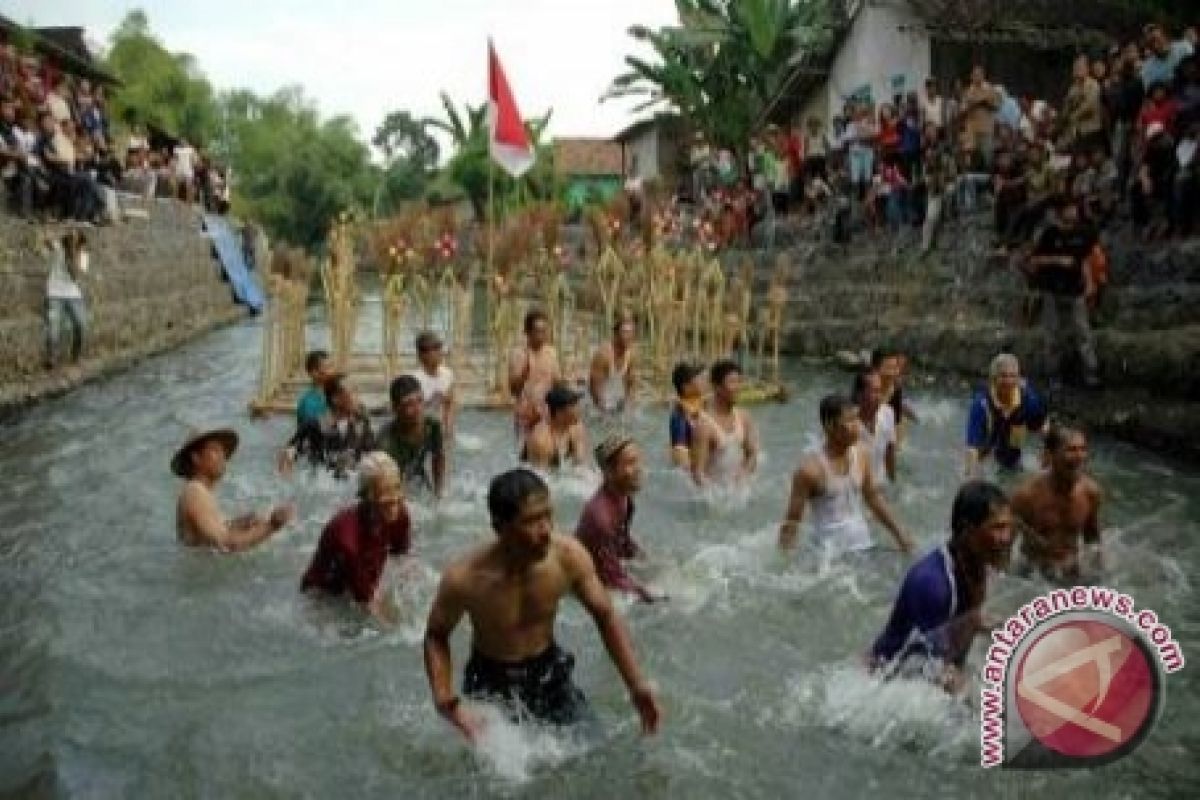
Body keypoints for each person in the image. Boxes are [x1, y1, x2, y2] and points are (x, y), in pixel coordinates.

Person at [423, 469, 662, 736]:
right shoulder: (465, 579)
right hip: (490, 682)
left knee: (593, 746)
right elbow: (436, 635)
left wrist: (636, 685)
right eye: (532, 521)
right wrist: (446, 702)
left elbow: (605, 616)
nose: (546, 530)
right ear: (500, 528)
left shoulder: (568, 557)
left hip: (549, 672)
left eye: (548, 515)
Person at [868, 481, 1013, 693]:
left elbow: (961, 621)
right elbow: (932, 666)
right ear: (967, 530)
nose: (1006, 538)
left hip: (931, 669)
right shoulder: (933, 584)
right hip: (886, 684)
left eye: (1009, 526)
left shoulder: (979, 561)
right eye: (997, 528)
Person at [778, 395, 914, 556]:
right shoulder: (809, 470)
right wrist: (784, 561)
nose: (857, 425)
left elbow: (873, 499)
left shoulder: (862, 455)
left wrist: (899, 534)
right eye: (849, 420)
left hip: (864, 544)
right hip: (829, 556)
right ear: (830, 426)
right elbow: (792, 521)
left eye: (856, 418)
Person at [301, 452, 413, 623]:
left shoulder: (400, 514)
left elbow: (401, 557)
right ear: (367, 496)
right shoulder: (347, 537)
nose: (395, 498)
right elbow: (366, 599)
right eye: (385, 492)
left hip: (360, 583)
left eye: (397, 487)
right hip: (323, 598)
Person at [174, 427, 294, 551]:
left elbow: (210, 536)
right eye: (215, 450)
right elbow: (225, 543)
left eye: (223, 451)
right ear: (196, 458)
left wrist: (237, 523)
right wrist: (272, 526)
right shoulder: (195, 492)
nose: (223, 457)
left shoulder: (199, 492)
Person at [1010, 425, 1103, 583]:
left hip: (1070, 571)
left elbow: (1092, 537)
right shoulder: (1027, 496)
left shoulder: (1090, 493)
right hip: (1031, 576)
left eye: (1083, 449)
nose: (1079, 456)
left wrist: (1097, 573)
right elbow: (1004, 540)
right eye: (1071, 450)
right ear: (1050, 455)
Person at [1025, 197, 1101, 388]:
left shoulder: (1083, 233)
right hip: (1051, 289)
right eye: (1069, 208)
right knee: (1052, 334)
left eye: (1074, 208)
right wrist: (1058, 260)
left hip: (1075, 288)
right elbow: (1034, 261)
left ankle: (1091, 373)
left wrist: (1090, 282)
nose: (1073, 212)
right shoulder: (1049, 234)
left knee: (1083, 331)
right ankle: (1053, 374)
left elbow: (1084, 259)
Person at [576, 435, 656, 603]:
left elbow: (623, 538)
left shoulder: (624, 497)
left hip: (607, 564)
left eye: (638, 461)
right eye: (630, 463)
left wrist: (644, 560)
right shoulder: (600, 518)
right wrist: (649, 595)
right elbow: (611, 578)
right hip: (585, 581)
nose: (639, 469)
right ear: (609, 471)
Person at [964, 353, 1047, 478]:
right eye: (1003, 376)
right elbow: (972, 447)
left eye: (1013, 376)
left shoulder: (1029, 398)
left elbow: (1044, 427)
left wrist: (1048, 455)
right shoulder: (981, 403)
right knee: (981, 455)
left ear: (1019, 378)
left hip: (1017, 422)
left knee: (1010, 461)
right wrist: (970, 477)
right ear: (993, 378)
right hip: (992, 421)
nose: (1009, 381)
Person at [281, 375, 375, 478]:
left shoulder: (361, 423)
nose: (358, 396)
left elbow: (372, 454)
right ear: (336, 399)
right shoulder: (314, 425)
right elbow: (290, 451)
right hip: (321, 483)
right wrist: (286, 474)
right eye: (353, 391)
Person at [691, 360, 759, 488]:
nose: (738, 387)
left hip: (734, 487)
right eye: (732, 382)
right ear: (717, 387)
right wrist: (716, 496)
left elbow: (752, 454)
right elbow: (697, 474)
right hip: (712, 491)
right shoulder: (704, 426)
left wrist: (744, 474)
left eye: (739, 382)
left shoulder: (744, 417)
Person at [377, 375, 447, 498]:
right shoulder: (385, 442)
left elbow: (438, 457)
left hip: (416, 475)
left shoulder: (432, 425)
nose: (418, 409)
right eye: (409, 404)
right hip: (388, 480)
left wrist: (438, 490)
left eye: (420, 401)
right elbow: (384, 482)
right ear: (395, 408)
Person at [509, 309, 561, 444]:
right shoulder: (518, 354)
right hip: (525, 414)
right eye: (538, 331)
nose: (542, 335)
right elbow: (514, 390)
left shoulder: (551, 353)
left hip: (547, 412)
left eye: (545, 331)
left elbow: (557, 384)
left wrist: (569, 381)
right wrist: (524, 375)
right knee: (526, 459)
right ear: (527, 332)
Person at [43, 230, 89, 370]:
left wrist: (73, 254)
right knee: (53, 326)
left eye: (76, 240)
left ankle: (76, 357)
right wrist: (56, 235)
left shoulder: (83, 256)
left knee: (81, 325)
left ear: (80, 242)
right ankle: (52, 358)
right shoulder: (58, 248)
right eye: (71, 239)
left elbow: (75, 275)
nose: (73, 242)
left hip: (73, 295)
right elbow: (46, 238)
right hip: (54, 293)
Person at [522, 384, 590, 471]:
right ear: (559, 413)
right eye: (573, 405)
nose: (578, 409)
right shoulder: (541, 440)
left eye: (576, 404)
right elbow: (540, 478)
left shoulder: (576, 427)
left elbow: (581, 464)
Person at [852, 370, 897, 484]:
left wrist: (893, 482)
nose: (879, 396)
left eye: (880, 390)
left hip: (880, 482)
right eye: (874, 391)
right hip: (857, 487)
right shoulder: (849, 424)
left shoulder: (888, 413)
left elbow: (889, 451)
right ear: (859, 394)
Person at [410, 330, 456, 436]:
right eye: (434, 348)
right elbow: (410, 414)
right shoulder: (414, 380)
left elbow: (450, 403)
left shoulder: (448, 374)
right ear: (421, 355)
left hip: (437, 429)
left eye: (439, 347)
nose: (440, 352)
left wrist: (448, 429)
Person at [588, 317, 637, 415]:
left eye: (631, 332)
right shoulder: (603, 355)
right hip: (594, 405)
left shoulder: (630, 355)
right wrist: (604, 413)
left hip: (614, 402)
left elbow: (630, 385)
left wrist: (629, 407)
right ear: (616, 334)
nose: (629, 336)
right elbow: (594, 389)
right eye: (625, 332)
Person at [668, 361, 705, 470]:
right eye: (699, 379)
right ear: (686, 387)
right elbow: (679, 451)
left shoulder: (701, 405)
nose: (704, 382)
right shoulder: (679, 416)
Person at [297, 350, 334, 427]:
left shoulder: (338, 392)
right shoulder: (307, 401)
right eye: (326, 368)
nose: (331, 371)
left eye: (331, 366)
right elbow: (315, 428)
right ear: (314, 372)